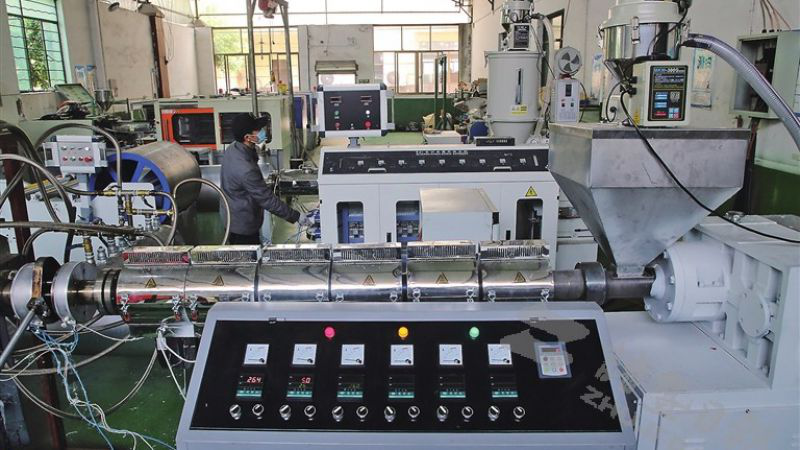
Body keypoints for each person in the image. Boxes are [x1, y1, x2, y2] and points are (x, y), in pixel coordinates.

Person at [221, 113, 310, 245]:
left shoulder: (234, 148)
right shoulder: (246, 169)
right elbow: (267, 199)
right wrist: (296, 216)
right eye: (258, 130)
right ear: (247, 137)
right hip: (243, 225)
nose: (263, 131)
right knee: (249, 255)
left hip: (232, 215)